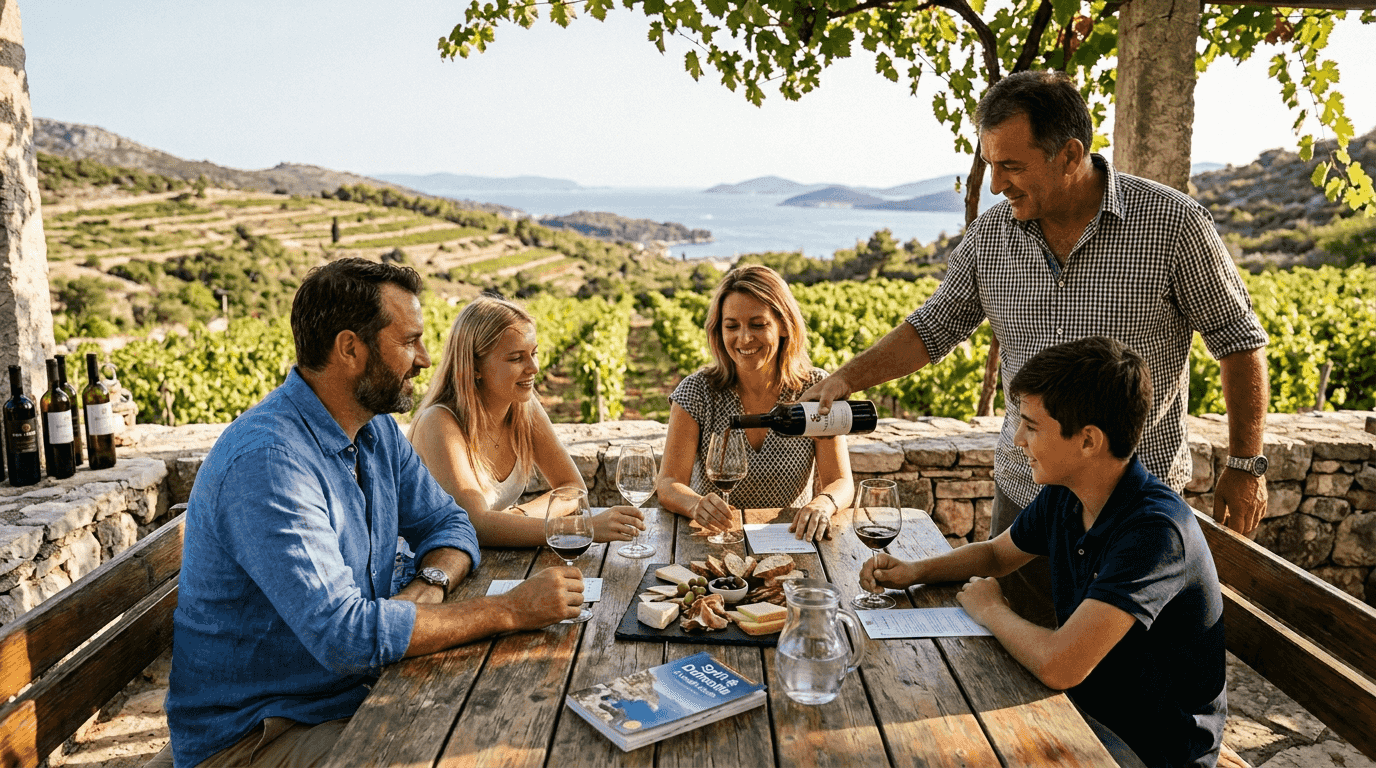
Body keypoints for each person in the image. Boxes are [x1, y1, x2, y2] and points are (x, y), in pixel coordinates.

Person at [803, 70, 1270, 618]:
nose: (995, 184)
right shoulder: (990, 235)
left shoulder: (1174, 225)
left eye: (1012, 166)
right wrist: (847, 378)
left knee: (1104, 668)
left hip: (1129, 511)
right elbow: (933, 328)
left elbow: (1239, 342)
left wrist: (1246, 463)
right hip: (1027, 502)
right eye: (989, 164)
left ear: (1070, 155)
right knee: (1007, 658)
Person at [161, 259, 585, 768]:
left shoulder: (374, 431)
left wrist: (430, 583)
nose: (425, 359)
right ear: (350, 349)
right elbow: (346, 637)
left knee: (512, 714)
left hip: (344, 692)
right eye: (409, 342)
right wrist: (511, 609)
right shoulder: (270, 463)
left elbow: (450, 523)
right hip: (261, 732)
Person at [862, 336, 1226, 767]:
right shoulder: (1069, 492)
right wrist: (914, 571)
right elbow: (997, 556)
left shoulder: (1155, 533)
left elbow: (1059, 666)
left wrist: (991, 609)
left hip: (1147, 748)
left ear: (1088, 441)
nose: (1018, 439)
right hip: (1087, 708)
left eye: (1032, 426)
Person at [407, 295, 645, 549]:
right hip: (428, 562)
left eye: (534, 353)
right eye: (516, 358)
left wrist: (517, 516)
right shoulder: (439, 423)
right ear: (475, 366)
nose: (534, 367)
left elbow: (573, 489)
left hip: (486, 557)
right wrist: (581, 528)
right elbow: (476, 525)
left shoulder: (522, 408)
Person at [656, 265, 853, 541]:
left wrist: (823, 503)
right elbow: (668, 483)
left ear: (784, 325)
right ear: (719, 330)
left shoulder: (813, 390)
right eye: (731, 326)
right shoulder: (697, 392)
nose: (744, 338)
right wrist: (695, 504)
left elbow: (840, 481)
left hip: (792, 540)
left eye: (758, 325)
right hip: (714, 540)